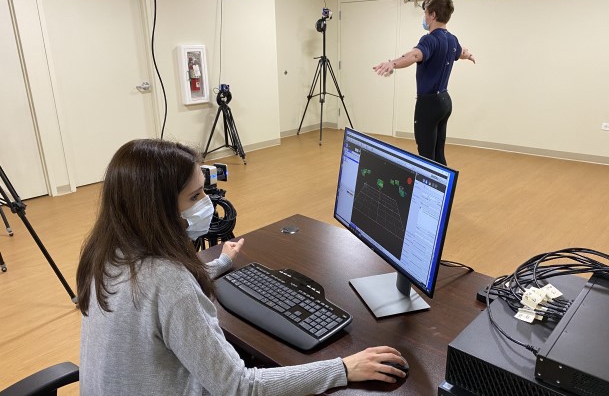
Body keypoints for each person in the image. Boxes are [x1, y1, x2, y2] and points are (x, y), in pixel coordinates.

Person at [76, 138, 407, 395]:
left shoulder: (107, 251)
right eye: (194, 197)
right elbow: (238, 387)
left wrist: (219, 264)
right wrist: (343, 368)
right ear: (157, 210)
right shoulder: (168, 281)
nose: (207, 204)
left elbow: (155, 300)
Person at [373, 0, 475, 166]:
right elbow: (461, 52)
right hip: (444, 102)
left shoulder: (429, 39)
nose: (424, 17)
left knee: (426, 156)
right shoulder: (452, 39)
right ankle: (444, 191)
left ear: (433, 15)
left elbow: (414, 55)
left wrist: (392, 63)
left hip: (428, 105)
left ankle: (428, 192)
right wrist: (469, 55)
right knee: (438, 152)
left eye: (426, 13)